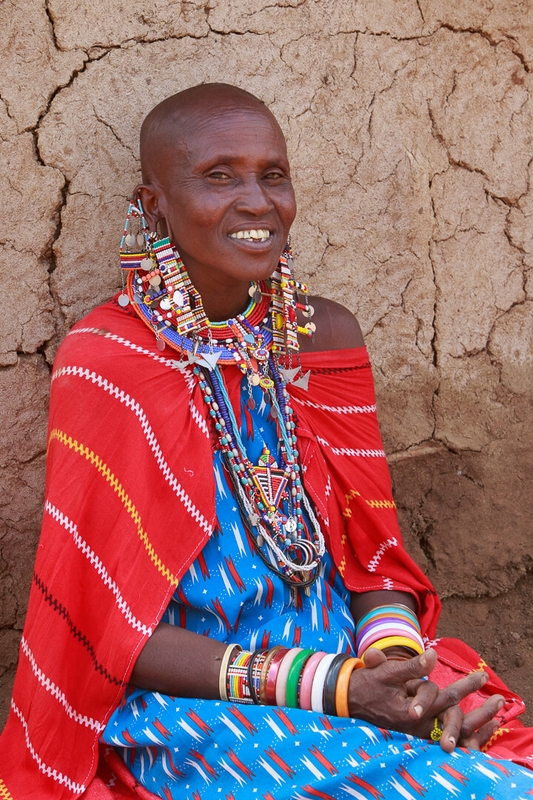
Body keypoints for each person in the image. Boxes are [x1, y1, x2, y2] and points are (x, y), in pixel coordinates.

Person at [0, 83, 532, 800]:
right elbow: (107, 635)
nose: (256, 201)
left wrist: (401, 676)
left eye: (271, 174)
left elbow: (372, 561)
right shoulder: (109, 363)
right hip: (207, 716)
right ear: (153, 206)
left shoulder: (324, 340)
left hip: (359, 672)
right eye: (219, 175)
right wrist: (334, 689)